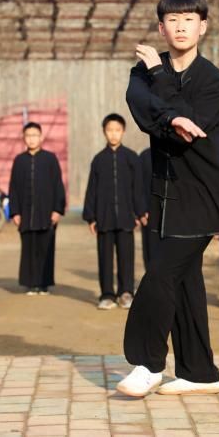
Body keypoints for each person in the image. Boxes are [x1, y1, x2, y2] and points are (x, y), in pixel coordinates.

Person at [117, 0, 219, 397]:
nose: (181, 26)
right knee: (185, 281)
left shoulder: (213, 80)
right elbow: (142, 111)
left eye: (189, 19)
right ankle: (200, 372)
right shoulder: (142, 74)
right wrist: (170, 116)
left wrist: (161, 85)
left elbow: (194, 124)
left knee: (161, 274)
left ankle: (148, 363)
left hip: (205, 193)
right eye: (173, 19)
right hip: (164, 195)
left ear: (203, 26)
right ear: (161, 27)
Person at [83, 113, 147, 310]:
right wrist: (91, 217)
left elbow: (138, 188)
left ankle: (126, 293)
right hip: (104, 218)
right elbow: (91, 190)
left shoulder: (131, 158)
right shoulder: (98, 160)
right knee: (105, 258)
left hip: (127, 218)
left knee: (126, 258)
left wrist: (140, 212)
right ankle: (107, 295)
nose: (113, 134)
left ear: (123, 131)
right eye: (110, 130)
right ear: (104, 132)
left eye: (117, 130)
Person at [8, 122, 66, 295]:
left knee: (45, 249)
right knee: (29, 250)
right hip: (26, 215)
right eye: (28, 135)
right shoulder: (19, 161)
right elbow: (13, 188)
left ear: (41, 137)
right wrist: (15, 212)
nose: (31, 139)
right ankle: (31, 284)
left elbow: (58, 185)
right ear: (23, 138)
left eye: (34, 135)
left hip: (46, 213)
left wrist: (57, 209)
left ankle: (43, 284)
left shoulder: (50, 159)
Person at [139, 147, 159, 270]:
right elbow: (138, 185)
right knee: (150, 252)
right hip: (149, 214)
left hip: (172, 214)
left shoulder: (176, 154)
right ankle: (151, 279)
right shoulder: (144, 156)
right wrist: (141, 210)